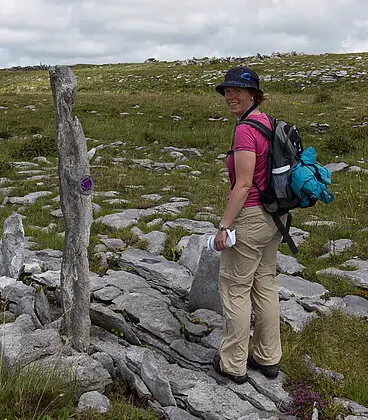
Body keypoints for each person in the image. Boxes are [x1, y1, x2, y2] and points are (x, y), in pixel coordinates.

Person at [212, 67, 283, 384]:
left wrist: (224, 226)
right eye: (227, 90)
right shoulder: (267, 122)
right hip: (273, 219)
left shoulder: (244, 130)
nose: (230, 96)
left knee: (236, 289)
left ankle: (233, 364)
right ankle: (268, 359)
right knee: (265, 284)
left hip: (250, 216)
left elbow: (242, 185)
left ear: (254, 93)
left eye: (237, 90)